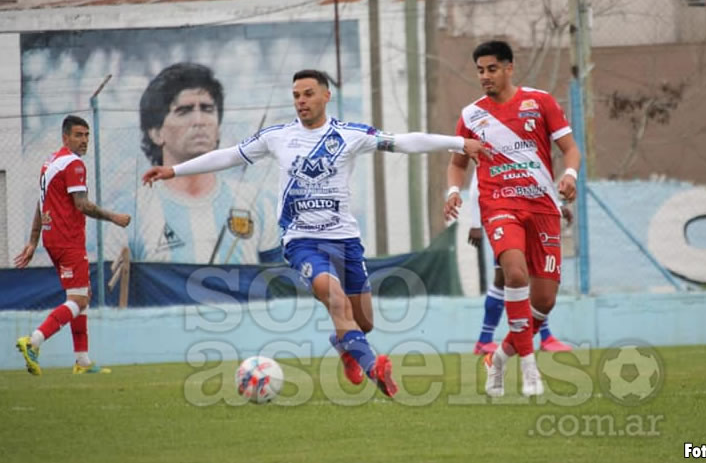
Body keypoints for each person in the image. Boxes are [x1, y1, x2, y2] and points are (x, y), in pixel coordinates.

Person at [143, 69, 489, 397]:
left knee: (362, 323)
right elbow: (230, 156)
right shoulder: (278, 137)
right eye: (296, 95)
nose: (301, 101)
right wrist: (174, 169)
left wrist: (459, 142)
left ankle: (346, 346)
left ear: (326, 96)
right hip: (301, 241)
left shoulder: (350, 135)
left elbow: (404, 142)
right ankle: (374, 367)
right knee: (336, 301)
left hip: (346, 240)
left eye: (308, 94)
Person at [445, 40, 581, 397]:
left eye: (491, 68)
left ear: (509, 68)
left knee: (545, 300)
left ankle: (500, 357)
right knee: (514, 273)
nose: (485, 76)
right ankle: (530, 367)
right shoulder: (471, 115)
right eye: (480, 70)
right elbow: (457, 163)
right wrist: (453, 192)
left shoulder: (541, 102)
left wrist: (570, 175)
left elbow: (570, 149)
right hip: (499, 205)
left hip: (542, 208)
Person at [122, 62, 279, 263]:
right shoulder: (131, 213)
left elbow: (278, 284)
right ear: (156, 132)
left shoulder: (258, 203)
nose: (199, 120)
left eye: (207, 109)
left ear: (219, 127)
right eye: (184, 110)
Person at [15, 115, 132, 375]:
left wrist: (33, 241)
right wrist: (114, 217)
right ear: (65, 137)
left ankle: (82, 361)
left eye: (87, 135)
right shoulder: (73, 163)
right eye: (79, 135)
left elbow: (41, 203)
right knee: (79, 299)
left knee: (81, 297)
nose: (84, 140)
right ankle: (34, 340)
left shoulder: (50, 162)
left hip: (52, 238)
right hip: (68, 240)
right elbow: (82, 205)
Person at [467, 170, 573, 355]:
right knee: (508, 278)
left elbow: (532, 185)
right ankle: (486, 339)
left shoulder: (523, 150)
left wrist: (555, 206)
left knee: (532, 277)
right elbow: (476, 186)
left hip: (528, 219)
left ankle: (542, 336)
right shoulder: (491, 147)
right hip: (505, 221)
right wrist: (475, 223)